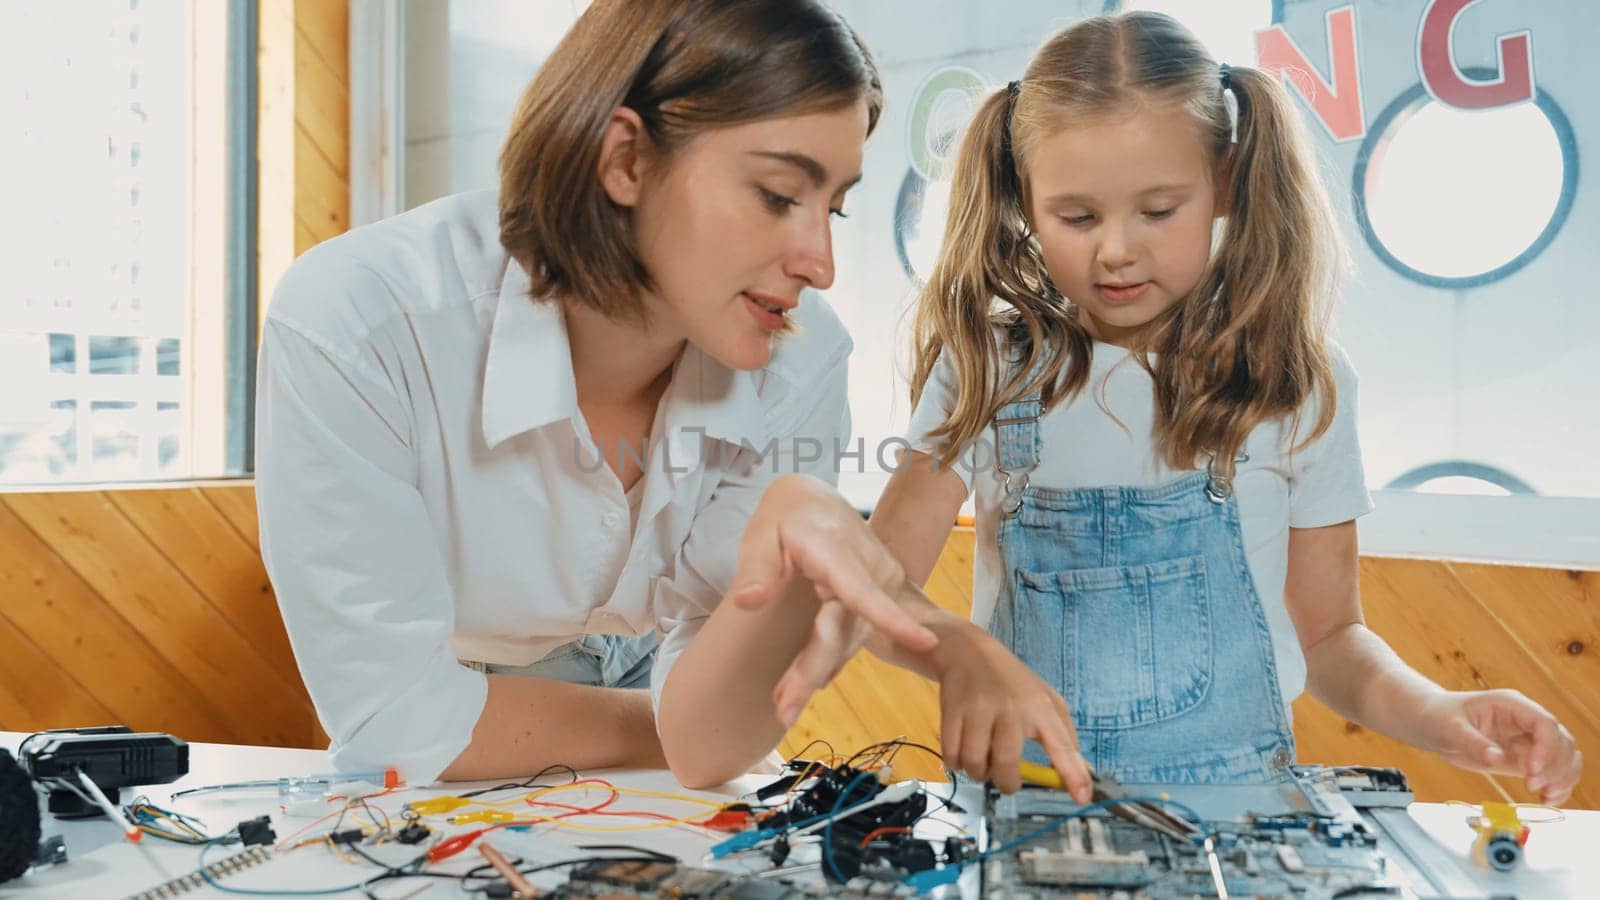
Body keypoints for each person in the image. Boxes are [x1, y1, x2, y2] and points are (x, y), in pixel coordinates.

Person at [676, 11, 1582, 804]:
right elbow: (887, 586)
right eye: (1075, 217)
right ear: (1024, 203)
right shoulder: (987, 369)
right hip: (1023, 805)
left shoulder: (1299, 382)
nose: (1116, 251)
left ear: (1225, 182)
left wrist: (1440, 712)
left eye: (1159, 208)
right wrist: (901, 634)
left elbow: (1334, 637)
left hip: (1241, 814)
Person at [254, 0, 938, 785]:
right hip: (458, 759)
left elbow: (718, 738)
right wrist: (680, 725)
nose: (821, 263)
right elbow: (400, 725)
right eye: (780, 195)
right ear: (625, 161)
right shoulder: (358, 322)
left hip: (608, 741)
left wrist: (710, 716)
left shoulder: (804, 355)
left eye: (835, 206)